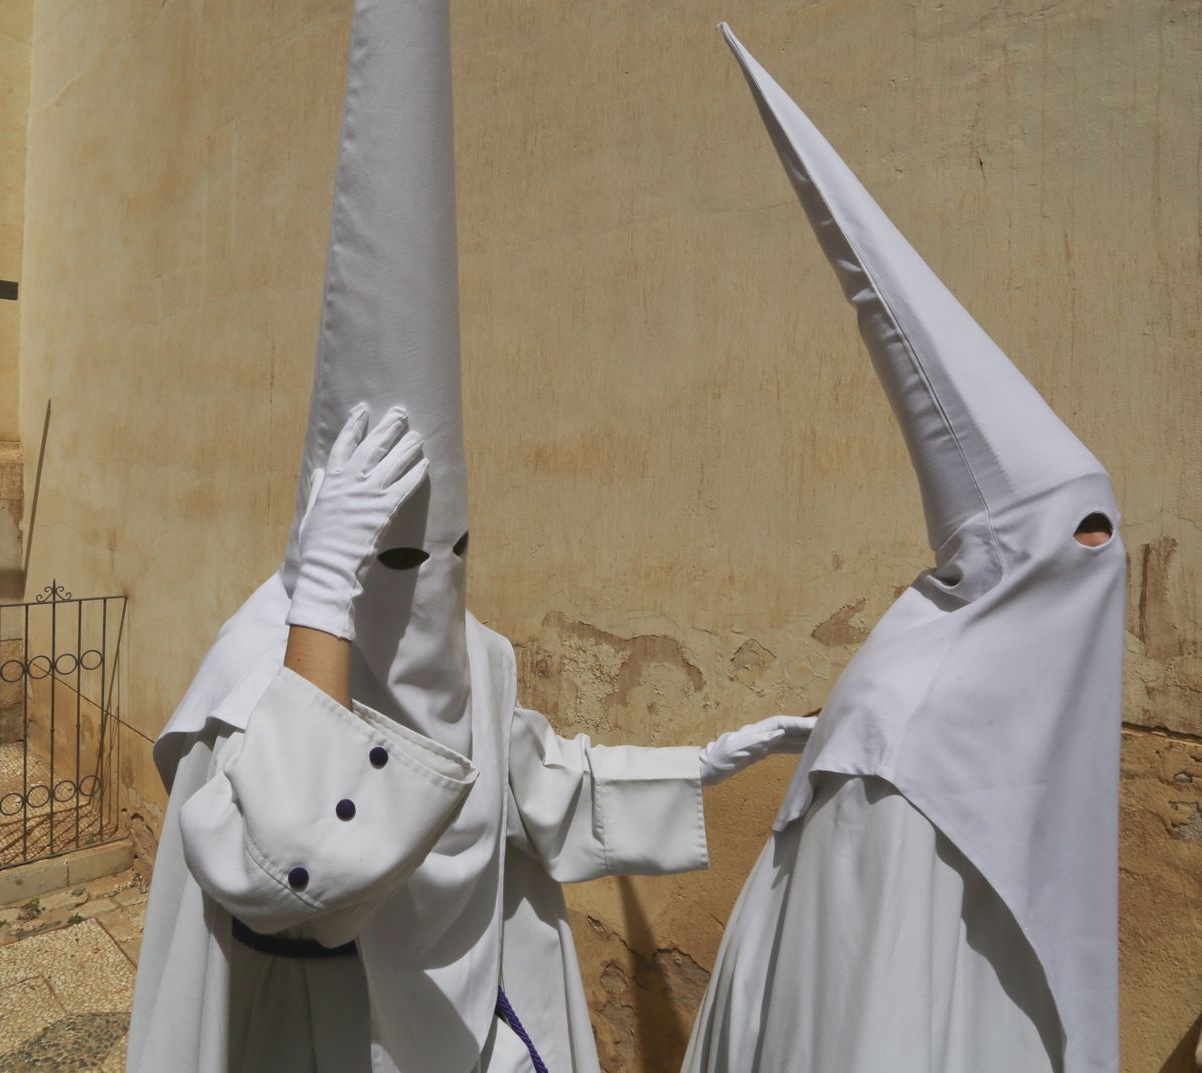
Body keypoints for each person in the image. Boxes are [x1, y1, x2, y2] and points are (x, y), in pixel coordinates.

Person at [122, 4, 813, 1072]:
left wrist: (700, 764)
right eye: (389, 559)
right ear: (330, 544)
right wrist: (320, 596)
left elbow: (541, 786)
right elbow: (288, 858)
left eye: (449, 553)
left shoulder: (473, 654)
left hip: (480, 1016)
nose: (429, 583)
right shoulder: (249, 677)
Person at [681, 26, 1125, 1073]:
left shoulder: (1017, 704)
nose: (1100, 562)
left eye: (1104, 534)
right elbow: (863, 1011)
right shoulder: (898, 737)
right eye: (1080, 536)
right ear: (996, 557)